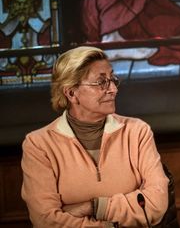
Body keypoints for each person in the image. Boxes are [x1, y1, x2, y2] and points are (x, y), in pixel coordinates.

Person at [21, 46, 169, 227]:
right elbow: (46, 221)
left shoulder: (137, 131)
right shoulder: (39, 145)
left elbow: (155, 205)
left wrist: (95, 206)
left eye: (113, 79)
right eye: (101, 82)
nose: (113, 89)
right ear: (71, 93)